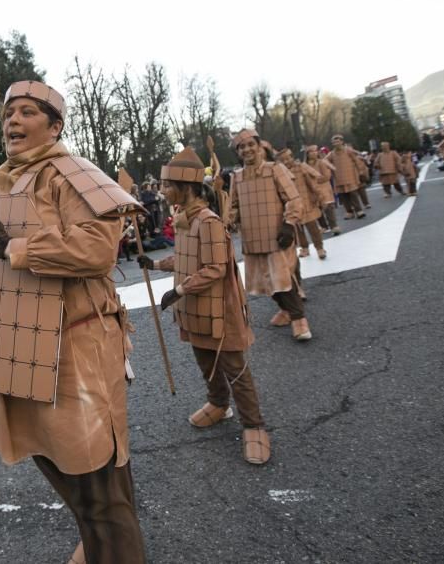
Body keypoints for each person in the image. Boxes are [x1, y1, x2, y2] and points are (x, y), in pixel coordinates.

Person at [0, 80, 145, 563]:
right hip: (21, 352)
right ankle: (99, 538)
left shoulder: (72, 175)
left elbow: (97, 249)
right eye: (8, 113)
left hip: (75, 349)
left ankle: (110, 543)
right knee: (62, 465)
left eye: (27, 112)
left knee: (96, 474)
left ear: (55, 125)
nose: (12, 121)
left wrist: (15, 247)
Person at [139, 147, 271, 464]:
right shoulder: (184, 220)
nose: (162, 190)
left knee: (235, 369)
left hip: (220, 309)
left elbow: (214, 268)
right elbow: (186, 260)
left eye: (167, 185)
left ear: (186, 187)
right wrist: (155, 266)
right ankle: (217, 403)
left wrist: (179, 290)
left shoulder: (208, 222)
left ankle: (254, 426)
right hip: (195, 309)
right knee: (205, 361)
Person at [230, 129, 311, 341]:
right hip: (252, 239)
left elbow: (294, 199)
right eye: (241, 147)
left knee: (283, 280)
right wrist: (228, 220)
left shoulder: (275, 169)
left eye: (250, 145)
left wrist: (288, 224)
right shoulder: (236, 178)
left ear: (258, 146)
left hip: (276, 234)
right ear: (238, 152)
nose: (247, 149)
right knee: (265, 283)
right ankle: (285, 310)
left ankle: (299, 319)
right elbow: (234, 207)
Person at [277, 149, 327, 260]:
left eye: (288, 158)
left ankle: (319, 248)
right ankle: (304, 248)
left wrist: (319, 196)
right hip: (292, 206)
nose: (286, 161)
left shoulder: (302, 167)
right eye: (283, 160)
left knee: (313, 228)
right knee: (298, 230)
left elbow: (312, 183)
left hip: (306, 202)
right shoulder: (280, 173)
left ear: (292, 157)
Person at [325, 135, 366, 220]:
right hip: (338, 178)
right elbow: (324, 161)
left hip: (350, 177)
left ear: (342, 142)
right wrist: (331, 166)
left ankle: (359, 211)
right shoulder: (331, 154)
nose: (336, 143)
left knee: (353, 194)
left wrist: (361, 171)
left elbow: (356, 161)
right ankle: (349, 212)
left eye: (338, 141)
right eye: (334, 142)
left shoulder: (348, 151)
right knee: (343, 196)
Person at [304, 145, 340, 234]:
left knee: (328, 208)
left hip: (324, 188)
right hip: (312, 191)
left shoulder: (322, 162)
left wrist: (314, 181)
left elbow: (327, 176)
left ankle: (334, 226)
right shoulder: (304, 165)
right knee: (317, 209)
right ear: (307, 154)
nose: (314, 153)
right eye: (311, 152)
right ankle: (323, 226)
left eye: (315, 151)